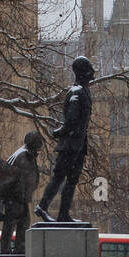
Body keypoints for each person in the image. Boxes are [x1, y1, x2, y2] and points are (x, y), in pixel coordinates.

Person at [35, 57, 93, 223]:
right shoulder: (76, 92)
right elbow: (72, 119)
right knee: (59, 177)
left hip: (79, 145)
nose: (92, 72)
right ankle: (42, 206)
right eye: (89, 69)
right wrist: (61, 131)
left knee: (72, 180)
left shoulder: (82, 90)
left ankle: (63, 214)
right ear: (83, 72)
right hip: (70, 145)